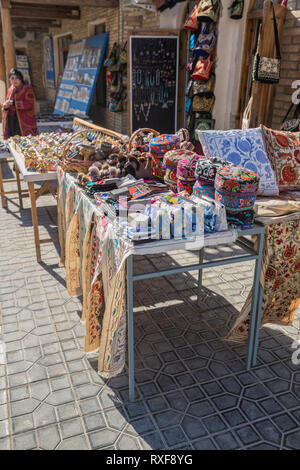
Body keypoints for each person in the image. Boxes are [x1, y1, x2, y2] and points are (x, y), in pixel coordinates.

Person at [2, 68, 38, 139]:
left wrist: (14, 104)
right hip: (11, 119)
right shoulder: (10, 90)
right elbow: (7, 105)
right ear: (9, 80)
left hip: (24, 120)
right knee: (12, 139)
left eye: (17, 78)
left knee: (25, 140)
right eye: (12, 78)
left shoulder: (27, 89)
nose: (14, 80)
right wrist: (6, 107)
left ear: (21, 79)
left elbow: (30, 104)